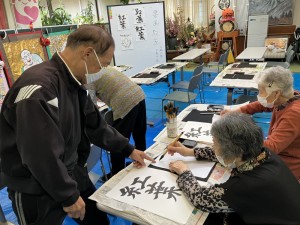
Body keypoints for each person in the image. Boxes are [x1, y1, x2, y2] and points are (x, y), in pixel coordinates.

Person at [0, 25, 155, 225]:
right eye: (102, 65)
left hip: (71, 172)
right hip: (34, 186)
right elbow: (39, 155)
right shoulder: (40, 90)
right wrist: (68, 195)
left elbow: (96, 126)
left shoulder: (73, 82)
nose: (102, 71)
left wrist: (129, 149)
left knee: (98, 221)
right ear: (88, 54)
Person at [167, 112, 300, 225]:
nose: (213, 147)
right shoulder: (263, 153)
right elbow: (227, 153)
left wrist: (183, 171)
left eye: (214, 143)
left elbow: (200, 199)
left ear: (231, 150)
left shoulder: (242, 185)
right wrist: (190, 152)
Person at [221, 66, 300, 181]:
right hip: (280, 152)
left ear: (276, 93)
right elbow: (260, 105)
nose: (259, 95)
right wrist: (236, 111)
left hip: (288, 165)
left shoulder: (293, 115)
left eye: (261, 91)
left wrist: (239, 139)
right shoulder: (288, 97)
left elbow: (272, 147)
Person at [86, 67, 147, 176]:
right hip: (138, 93)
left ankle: (117, 174)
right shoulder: (103, 67)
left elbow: (91, 106)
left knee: (117, 142)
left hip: (124, 101)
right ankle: (141, 163)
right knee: (139, 133)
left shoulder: (87, 76)